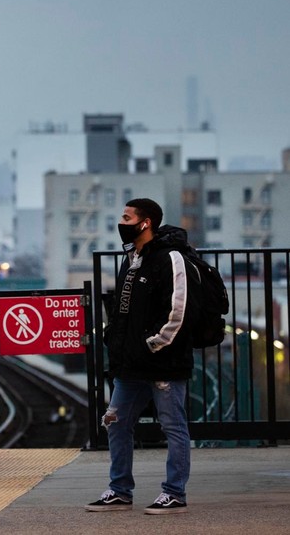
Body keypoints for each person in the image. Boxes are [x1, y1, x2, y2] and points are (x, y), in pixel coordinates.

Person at [85, 197, 193, 515]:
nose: (121, 223)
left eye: (126, 217)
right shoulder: (131, 258)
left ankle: (174, 493)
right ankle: (120, 490)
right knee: (115, 422)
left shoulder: (170, 257)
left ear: (145, 223)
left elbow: (178, 309)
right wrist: (116, 341)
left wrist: (152, 345)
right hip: (130, 364)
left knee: (172, 426)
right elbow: (123, 309)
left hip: (163, 362)